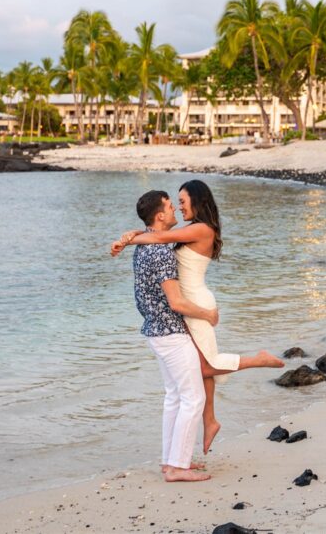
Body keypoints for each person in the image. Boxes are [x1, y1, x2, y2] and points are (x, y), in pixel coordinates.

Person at [113, 180, 284, 454]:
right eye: (175, 204)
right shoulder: (190, 229)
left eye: (182, 202)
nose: (179, 208)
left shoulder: (202, 229)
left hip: (195, 305)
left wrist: (126, 240)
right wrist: (132, 234)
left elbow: (157, 236)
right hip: (188, 306)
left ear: (197, 199)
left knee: (204, 366)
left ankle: (258, 360)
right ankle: (210, 419)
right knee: (202, 365)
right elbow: (156, 231)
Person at [130, 190, 219, 482]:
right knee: (193, 398)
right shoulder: (161, 251)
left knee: (174, 397)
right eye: (170, 207)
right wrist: (207, 314)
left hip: (155, 332)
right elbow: (176, 302)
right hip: (170, 331)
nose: (174, 212)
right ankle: (177, 468)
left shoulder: (144, 246)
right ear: (159, 215)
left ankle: (171, 461)